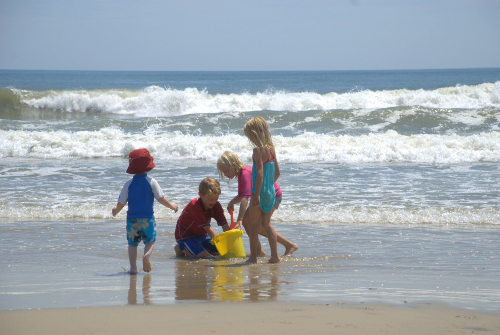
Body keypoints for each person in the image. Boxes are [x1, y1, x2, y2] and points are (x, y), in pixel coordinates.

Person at [217, 150, 298, 257]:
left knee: (259, 225)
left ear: (234, 165)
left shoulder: (245, 173)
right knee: (248, 222)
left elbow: (245, 199)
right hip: (260, 197)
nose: (226, 175)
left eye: (226, 171)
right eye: (223, 173)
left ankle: (289, 245)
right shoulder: (241, 174)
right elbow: (241, 195)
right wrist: (232, 201)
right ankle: (259, 251)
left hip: (272, 196)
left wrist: (239, 219)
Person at [112, 148, 178, 274]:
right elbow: (161, 199)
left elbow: (121, 203)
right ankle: (146, 256)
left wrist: (115, 210)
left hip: (132, 219)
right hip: (147, 218)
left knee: (132, 244)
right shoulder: (152, 182)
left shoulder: (128, 184)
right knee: (150, 240)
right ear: (148, 166)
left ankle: (133, 268)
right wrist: (172, 206)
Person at [242, 117, 282, 264]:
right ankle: (275, 256)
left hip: (259, 193)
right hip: (271, 191)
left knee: (253, 226)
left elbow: (259, 172)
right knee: (267, 224)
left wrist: (256, 194)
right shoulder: (271, 149)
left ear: (254, 133)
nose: (250, 139)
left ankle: (253, 258)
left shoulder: (257, 150)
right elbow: (277, 172)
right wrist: (268, 186)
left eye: (249, 136)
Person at [174, 177, 230, 258]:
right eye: (211, 199)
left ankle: (204, 248)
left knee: (223, 252)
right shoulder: (194, 205)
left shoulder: (216, 205)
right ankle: (180, 247)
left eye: (216, 199)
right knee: (205, 257)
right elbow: (208, 228)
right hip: (186, 236)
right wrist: (220, 244)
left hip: (203, 235)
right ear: (201, 195)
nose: (214, 202)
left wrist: (229, 245)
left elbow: (225, 225)